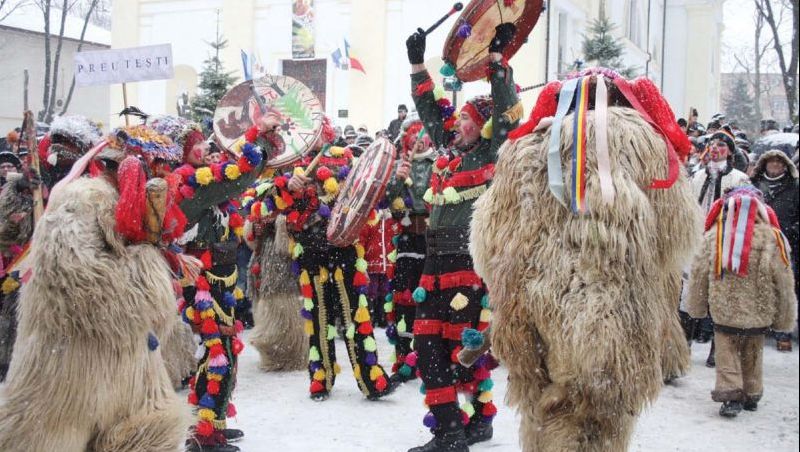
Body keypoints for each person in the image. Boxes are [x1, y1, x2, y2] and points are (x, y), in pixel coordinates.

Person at [405, 22, 522, 452]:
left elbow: (508, 114)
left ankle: (452, 431)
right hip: (435, 267)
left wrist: (496, 62)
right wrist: (418, 65)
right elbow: (432, 113)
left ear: (483, 129)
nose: (458, 127)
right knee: (432, 344)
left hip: (468, 266)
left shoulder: (493, 153)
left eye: (469, 122)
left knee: (461, 347)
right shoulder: (450, 155)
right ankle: (472, 423)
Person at [157, 114, 270, 452]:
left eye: (201, 142)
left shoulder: (205, 183)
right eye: (194, 145)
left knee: (224, 352)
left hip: (221, 274)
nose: (203, 147)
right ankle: (203, 436)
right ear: (181, 152)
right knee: (215, 352)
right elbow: (238, 179)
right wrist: (256, 135)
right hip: (202, 278)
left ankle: (213, 422)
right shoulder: (187, 182)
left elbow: (236, 182)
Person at [268, 117, 396, 402]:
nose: (311, 137)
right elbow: (266, 205)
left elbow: (364, 193)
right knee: (318, 318)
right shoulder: (289, 165)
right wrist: (287, 187)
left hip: (344, 246)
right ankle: (320, 377)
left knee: (357, 315)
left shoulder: (344, 158)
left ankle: (371, 377)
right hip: (310, 250)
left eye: (316, 132)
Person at [686, 187, 796, 418]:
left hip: (724, 309)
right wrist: (784, 318)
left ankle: (731, 394)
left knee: (727, 351)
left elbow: (698, 274)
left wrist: (696, 306)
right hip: (759, 310)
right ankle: (752, 392)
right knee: (753, 351)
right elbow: (784, 281)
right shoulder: (773, 238)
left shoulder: (715, 236)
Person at [685, 126, 750, 365]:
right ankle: (684, 345)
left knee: (719, 296)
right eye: (712, 145)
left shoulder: (738, 179)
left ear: (730, 152)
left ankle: (718, 348)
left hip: (723, 242)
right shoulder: (698, 176)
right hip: (696, 241)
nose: (715, 149)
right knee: (689, 294)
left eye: (721, 146)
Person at [384, 119, 435, 385]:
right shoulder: (398, 167)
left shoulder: (438, 165)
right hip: (405, 237)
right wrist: (397, 181)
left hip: (431, 238)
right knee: (404, 297)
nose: (419, 142)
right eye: (414, 138)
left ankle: (427, 357)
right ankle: (404, 357)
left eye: (422, 137)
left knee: (427, 298)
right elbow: (385, 200)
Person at [750, 150, 799, 351]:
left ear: (786, 165)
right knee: (757, 285)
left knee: (784, 287)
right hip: (757, 243)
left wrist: (791, 231)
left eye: (780, 161)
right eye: (771, 161)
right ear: (764, 164)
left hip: (784, 244)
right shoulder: (753, 187)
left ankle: (783, 332)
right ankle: (756, 328)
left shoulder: (795, 188)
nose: (775, 164)